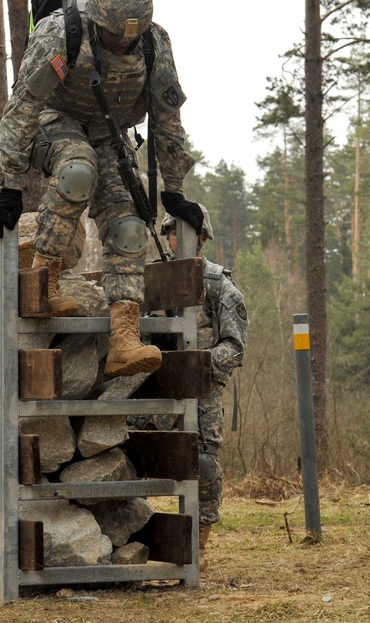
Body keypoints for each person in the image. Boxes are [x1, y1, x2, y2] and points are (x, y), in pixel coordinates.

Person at [0, 0, 204, 377]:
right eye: (114, 35)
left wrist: (174, 189)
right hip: (55, 120)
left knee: (129, 224)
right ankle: (44, 278)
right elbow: (24, 107)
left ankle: (124, 338)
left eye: (129, 38)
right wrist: (9, 186)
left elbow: (168, 118)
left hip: (110, 132)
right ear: (98, 20)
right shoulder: (60, 32)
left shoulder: (154, 43)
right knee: (77, 170)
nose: (122, 42)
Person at [159, 209, 247, 572]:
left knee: (204, 464)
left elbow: (234, 346)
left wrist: (196, 364)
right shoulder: (157, 280)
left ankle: (198, 546)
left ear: (203, 239)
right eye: (172, 232)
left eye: (185, 232)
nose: (177, 239)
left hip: (204, 389)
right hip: (159, 385)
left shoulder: (218, 286)